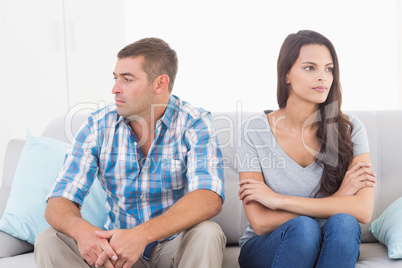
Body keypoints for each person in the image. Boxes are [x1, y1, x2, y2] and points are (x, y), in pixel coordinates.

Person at [34, 37, 226, 268]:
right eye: (116, 78)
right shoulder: (98, 125)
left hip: (173, 247)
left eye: (127, 79)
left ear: (160, 84)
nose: (115, 89)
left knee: (208, 233)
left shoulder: (194, 122)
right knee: (48, 240)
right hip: (117, 253)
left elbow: (208, 198)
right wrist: (82, 231)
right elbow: (59, 200)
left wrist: (141, 235)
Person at [236, 30, 376, 268]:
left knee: (345, 223)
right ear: (286, 74)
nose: (322, 77)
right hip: (267, 245)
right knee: (304, 229)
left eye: (328, 69)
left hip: (329, 242)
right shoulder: (252, 130)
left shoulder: (350, 129)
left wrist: (278, 200)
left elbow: (363, 210)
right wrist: (339, 199)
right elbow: (259, 222)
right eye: (310, 68)